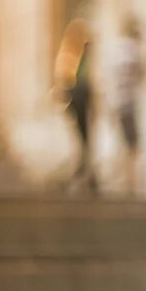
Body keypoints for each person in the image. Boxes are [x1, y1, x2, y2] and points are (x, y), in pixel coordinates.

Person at [53, 18, 96, 194]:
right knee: (81, 137)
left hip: (82, 98)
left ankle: (85, 170)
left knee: (85, 137)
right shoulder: (70, 54)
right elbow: (66, 79)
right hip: (76, 98)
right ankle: (82, 170)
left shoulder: (83, 55)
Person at [107, 15, 146, 195]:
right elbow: (142, 73)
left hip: (116, 102)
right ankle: (129, 182)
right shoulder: (133, 51)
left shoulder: (116, 50)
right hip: (128, 103)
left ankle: (122, 180)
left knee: (122, 143)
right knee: (132, 145)